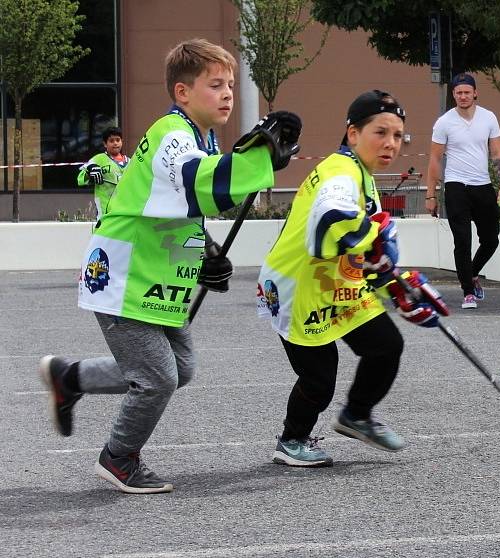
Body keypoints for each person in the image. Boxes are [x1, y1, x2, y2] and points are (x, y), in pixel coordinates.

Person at [38, 38, 302, 494]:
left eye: (231, 86)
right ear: (182, 93)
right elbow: (202, 186)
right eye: (215, 84)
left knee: (178, 369)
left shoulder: (202, 137)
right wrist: (259, 156)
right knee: (158, 377)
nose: (227, 94)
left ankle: (69, 377)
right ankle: (118, 458)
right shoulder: (171, 134)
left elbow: (178, 209)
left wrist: (206, 253)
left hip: (159, 273)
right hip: (127, 274)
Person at [257, 90, 448, 467]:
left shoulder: (362, 173)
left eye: (398, 136)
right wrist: (376, 238)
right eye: (381, 132)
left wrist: (393, 283)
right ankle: (292, 440)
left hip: (334, 281)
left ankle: (356, 415)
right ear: (352, 133)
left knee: (385, 346)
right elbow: (332, 218)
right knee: (319, 377)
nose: (391, 143)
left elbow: (358, 248)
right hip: (299, 286)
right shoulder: (340, 171)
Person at [425, 72, 500, 309]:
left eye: (467, 92)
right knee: (462, 240)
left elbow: (497, 154)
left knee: (491, 239)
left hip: (482, 185)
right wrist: (431, 195)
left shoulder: (488, 118)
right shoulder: (444, 122)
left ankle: (471, 274)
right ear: (453, 95)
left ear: (475, 93)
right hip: (456, 187)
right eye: (458, 92)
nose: (463, 96)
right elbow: (434, 159)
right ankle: (468, 292)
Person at [76, 126, 130, 220]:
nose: (115, 143)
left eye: (118, 140)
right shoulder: (98, 159)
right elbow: (80, 179)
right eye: (111, 141)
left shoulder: (130, 162)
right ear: (105, 144)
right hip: (105, 210)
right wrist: (89, 173)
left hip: (124, 209)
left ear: (122, 141)